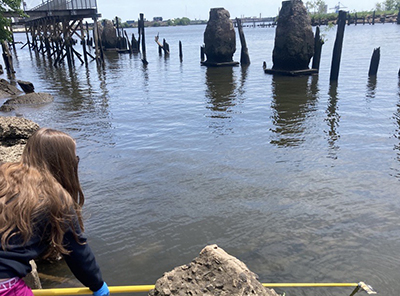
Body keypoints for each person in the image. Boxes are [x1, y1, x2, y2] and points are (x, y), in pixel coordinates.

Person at [0, 128, 109, 296]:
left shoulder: (4, 174)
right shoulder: (57, 199)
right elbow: (78, 253)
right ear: (64, 163)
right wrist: (97, 285)